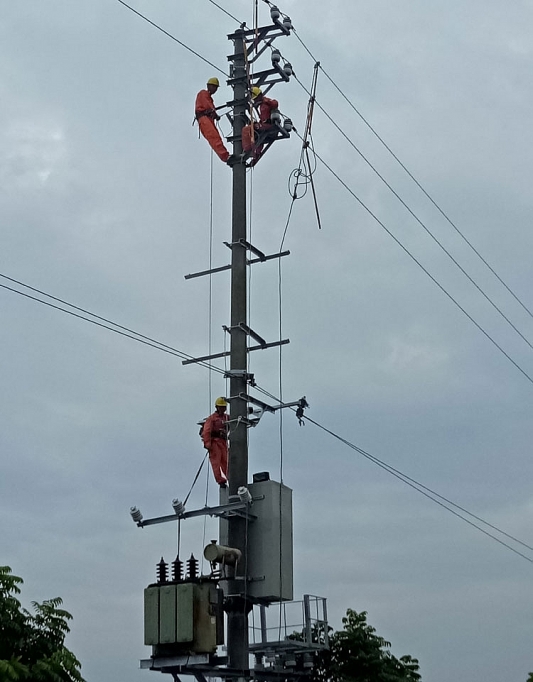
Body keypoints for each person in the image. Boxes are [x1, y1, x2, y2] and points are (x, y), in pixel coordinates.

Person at [195, 78, 230, 163]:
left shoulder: (208, 97)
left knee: (216, 137)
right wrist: (214, 114)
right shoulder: (203, 93)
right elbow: (208, 105)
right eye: (214, 87)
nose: (215, 89)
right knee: (214, 137)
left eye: (216, 88)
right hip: (204, 119)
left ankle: (225, 156)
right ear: (208, 86)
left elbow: (210, 107)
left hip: (207, 119)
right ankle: (225, 156)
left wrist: (214, 115)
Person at [242, 86, 279, 163]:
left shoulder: (266, 102)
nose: (255, 100)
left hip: (269, 125)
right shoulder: (261, 105)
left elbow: (275, 103)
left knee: (246, 129)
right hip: (265, 125)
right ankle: (256, 154)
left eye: (255, 98)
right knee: (258, 137)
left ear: (259, 95)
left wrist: (266, 101)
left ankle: (247, 149)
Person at [201, 397, 229, 487]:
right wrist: (207, 443)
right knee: (216, 462)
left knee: (226, 461)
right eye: (221, 407)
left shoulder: (227, 417)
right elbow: (207, 431)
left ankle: (230, 478)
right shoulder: (212, 418)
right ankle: (220, 480)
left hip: (223, 442)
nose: (223, 409)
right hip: (214, 442)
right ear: (217, 407)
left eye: (224, 407)